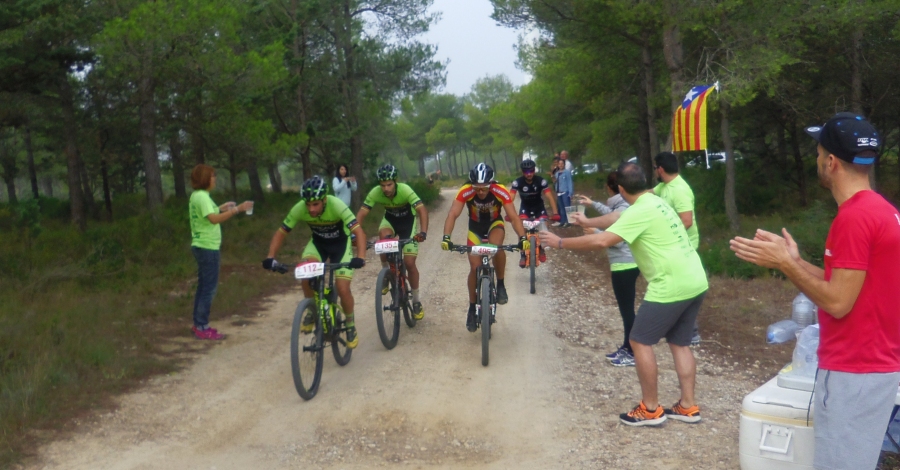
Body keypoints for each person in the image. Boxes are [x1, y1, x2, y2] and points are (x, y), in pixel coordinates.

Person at [730, 113, 900, 469]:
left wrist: (787, 264)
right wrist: (792, 260)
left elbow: (837, 302)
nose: (817, 160)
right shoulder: (878, 209)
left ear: (832, 162)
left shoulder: (854, 218)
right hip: (871, 366)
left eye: (819, 152)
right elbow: (846, 284)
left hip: (856, 370)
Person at [540, 162, 708, 426]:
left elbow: (601, 240)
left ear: (620, 188)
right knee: (680, 343)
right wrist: (588, 221)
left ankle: (650, 409)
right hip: (695, 278)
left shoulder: (639, 210)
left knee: (639, 341)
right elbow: (616, 219)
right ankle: (688, 406)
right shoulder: (655, 200)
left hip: (671, 284)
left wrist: (559, 242)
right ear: (644, 182)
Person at [262, 176, 367, 348]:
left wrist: (361, 257)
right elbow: (281, 232)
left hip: (341, 245)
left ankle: (350, 325)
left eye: (315, 204)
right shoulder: (299, 208)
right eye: (308, 204)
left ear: (324, 200)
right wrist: (270, 257)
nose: (311, 209)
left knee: (342, 288)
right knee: (305, 273)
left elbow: (358, 231)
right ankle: (312, 308)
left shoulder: (336, 205)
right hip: (318, 245)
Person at [441, 163, 529, 331]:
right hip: (475, 228)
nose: (480, 192)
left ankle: (501, 284)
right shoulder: (465, 191)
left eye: (484, 188)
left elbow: (514, 216)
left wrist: (522, 237)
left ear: (491, 184)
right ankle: (472, 308)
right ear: (471, 184)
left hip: (494, 224)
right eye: (476, 188)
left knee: (497, 247)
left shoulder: (500, 190)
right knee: (474, 268)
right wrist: (446, 237)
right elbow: (453, 214)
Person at [573, 171, 640, 367]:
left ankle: (631, 351)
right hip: (628, 263)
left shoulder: (623, 207)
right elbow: (611, 216)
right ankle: (628, 347)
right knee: (626, 310)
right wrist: (592, 204)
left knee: (627, 311)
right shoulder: (622, 204)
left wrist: (596, 232)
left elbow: (618, 240)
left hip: (624, 265)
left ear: (612, 188)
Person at [188, 164, 253, 340]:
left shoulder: (199, 196)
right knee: (209, 288)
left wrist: (222, 207)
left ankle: (198, 324)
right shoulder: (201, 196)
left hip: (203, 245)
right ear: (204, 179)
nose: (214, 179)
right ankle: (202, 325)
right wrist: (236, 210)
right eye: (212, 176)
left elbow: (211, 213)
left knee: (203, 287)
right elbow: (213, 219)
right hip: (207, 247)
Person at [356, 164, 429, 319]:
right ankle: (386, 274)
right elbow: (361, 214)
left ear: (395, 182)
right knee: (383, 239)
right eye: (382, 185)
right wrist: (355, 235)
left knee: (409, 263)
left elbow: (421, 210)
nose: (386, 189)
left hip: (407, 225)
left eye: (389, 185)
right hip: (389, 222)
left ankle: (416, 301)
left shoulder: (405, 190)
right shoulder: (375, 193)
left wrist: (423, 232)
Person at [652, 151, 702, 345]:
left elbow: (686, 221)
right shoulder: (664, 185)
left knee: (683, 287)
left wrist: (666, 235)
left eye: (656, 168)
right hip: (673, 246)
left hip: (684, 246)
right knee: (675, 286)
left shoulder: (679, 189)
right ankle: (680, 327)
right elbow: (650, 193)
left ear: (661, 169)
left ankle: (692, 332)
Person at [509, 159, 560, 267]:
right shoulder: (517, 182)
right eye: (526, 172)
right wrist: (510, 214)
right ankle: (523, 254)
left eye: (531, 171)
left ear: (534, 170)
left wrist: (555, 213)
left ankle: (541, 248)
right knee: (521, 228)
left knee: (544, 226)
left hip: (539, 207)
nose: (529, 174)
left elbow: (549, 197)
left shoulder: (541, 181)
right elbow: (510, 199)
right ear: (523, 172)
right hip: (525, 208)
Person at [554, 158, 574, 227]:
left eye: (562, 164)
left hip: (565, 192)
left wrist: (570, 192)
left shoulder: (567, 172)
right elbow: (556, 183)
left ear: (564, 164)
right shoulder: (557, 173)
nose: (561, 165)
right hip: (559, 192)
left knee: (567, 207)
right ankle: (563, 221)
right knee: (561, 208)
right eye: (559, 164)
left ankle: (568, 222)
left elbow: (569, 182)